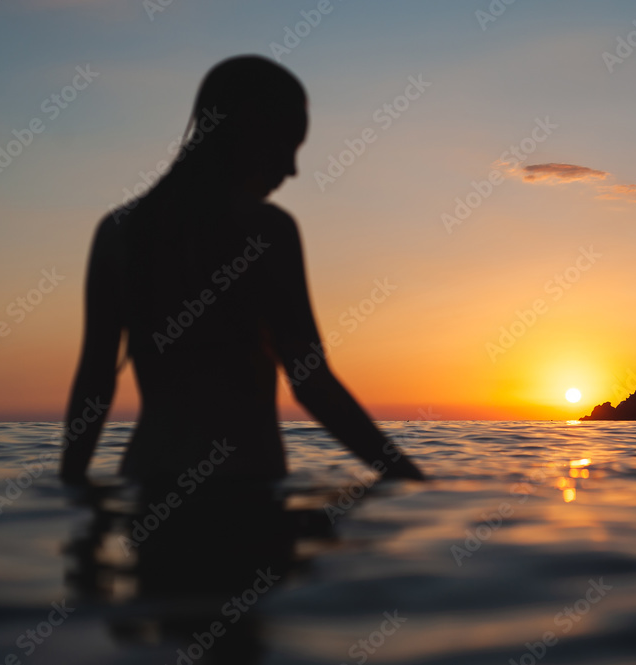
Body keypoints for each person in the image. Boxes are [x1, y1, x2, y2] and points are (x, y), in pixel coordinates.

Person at [59, 55, 424, 485]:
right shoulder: (268, 232)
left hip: (148, 490)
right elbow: (309, 381)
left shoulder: (118, 233)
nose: (292, 169)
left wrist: (72, 495)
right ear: (249, 132)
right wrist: (409, 479)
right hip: (245, 493)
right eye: (287, 144)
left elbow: (94, 384)